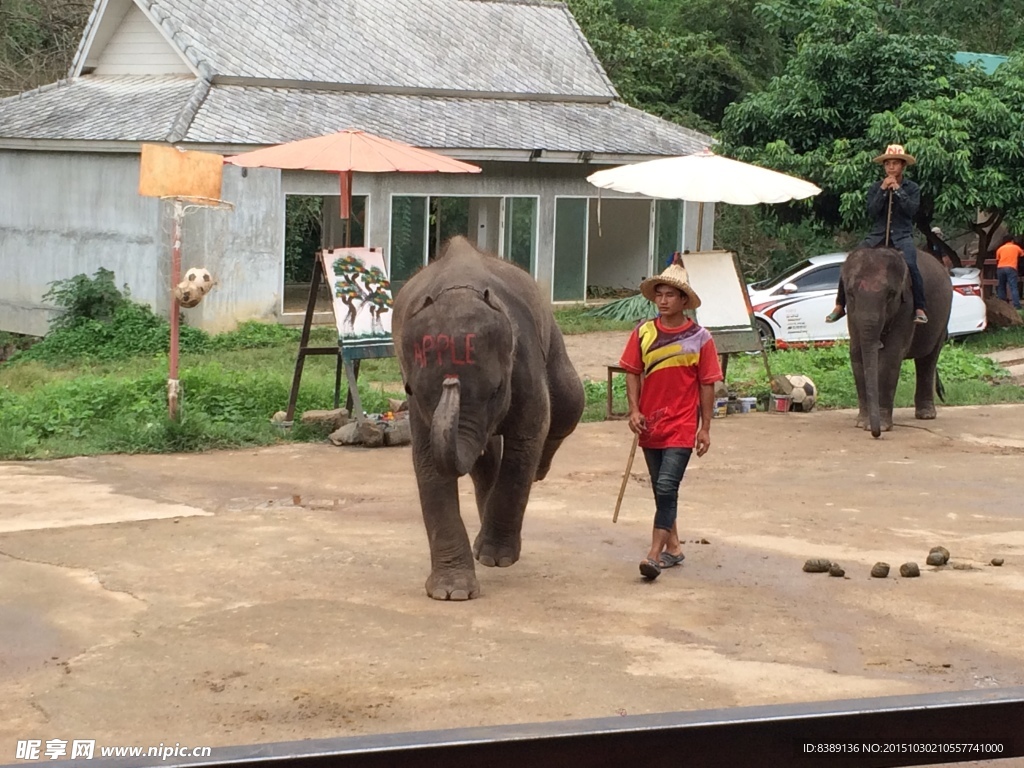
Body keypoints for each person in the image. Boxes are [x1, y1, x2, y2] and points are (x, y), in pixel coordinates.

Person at [617, 257, 723, 581]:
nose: (663, 301)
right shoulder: (643, 333)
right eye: (659, 294)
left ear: (683, 301)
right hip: (651, 425)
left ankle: (653, 554)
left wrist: (705, 428)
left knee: (666, 485)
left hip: (681, 426)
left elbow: (707, 384)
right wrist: (634, 410)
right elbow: (632, 373)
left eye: (670, 296)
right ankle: (674, 547)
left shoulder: (701, 338)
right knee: (661, 490)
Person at [826, 144, 928, 325]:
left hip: (902, 236)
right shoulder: (875, 187)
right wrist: (883, 190)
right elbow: (872, 211)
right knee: (851, 261)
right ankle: (840, 305)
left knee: (911, 264)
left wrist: (897, 190)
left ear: (902, 166)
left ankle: (919, 308)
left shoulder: (912, 188)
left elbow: (911, 210)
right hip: (877, 236)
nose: (891, 167)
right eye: (888, 164)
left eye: (895, 163)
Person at [995, 235, 1023, 310]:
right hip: (1011, 268)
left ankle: (1002, 304)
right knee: (1013, 286)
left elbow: (997, 259)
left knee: (1001, 286)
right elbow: (1022, 254)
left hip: (1000, 268)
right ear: (1012, 241)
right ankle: (1016, 305)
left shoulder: (1000, 249)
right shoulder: (1016, 247)